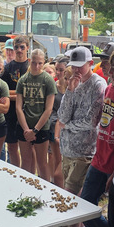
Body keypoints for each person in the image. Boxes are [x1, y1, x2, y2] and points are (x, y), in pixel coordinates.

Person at [80, 42, 114, 227]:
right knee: (85, 206)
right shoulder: (110, 87)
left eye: (108, 61)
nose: (104, 64)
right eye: (104, 60)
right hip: (100, 159)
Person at [58, 46, 107, 227]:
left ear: (90, 64)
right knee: (72, 194)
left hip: (85, 150)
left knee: (72, 196)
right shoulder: (73, 83)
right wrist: (69, 91)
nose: (76, 70)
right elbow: (61, 116)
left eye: (81, 66)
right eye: (74, 66)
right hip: (68, 148)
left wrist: (67, 125)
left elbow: (91, 121)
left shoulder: (98, 84)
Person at [15, 49, 56, 181]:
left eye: (40, 63)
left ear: (43, 63)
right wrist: (27, 129)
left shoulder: (48, 80)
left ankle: (46, 189)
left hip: (41, 126)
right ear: (29, 61)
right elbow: (18, 107)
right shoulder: (23, 80)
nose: (36, 66)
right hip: (24, 125)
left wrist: (35, 130)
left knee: (42, 162)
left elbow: (48, 109)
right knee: (26, 162)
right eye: (34, 63)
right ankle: (25, 187)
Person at [1, 35, 30, 167]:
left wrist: (14, 95)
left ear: (27, 48)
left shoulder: (31, 66)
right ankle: (16, 172)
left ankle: (28, 175)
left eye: (22, 47)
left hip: (29, 112)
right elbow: (2, 92)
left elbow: (30, 93)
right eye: (16, 47)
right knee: (12, 147)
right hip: (11, 113)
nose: (19, 50)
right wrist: (20, 95)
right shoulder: (7, 68)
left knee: (28, 150)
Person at [48, 57, 70, 187]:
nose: (58, 73)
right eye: (56, 69)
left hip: (65, 127)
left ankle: (64, 185)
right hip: (53, 126)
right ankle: (55, 184)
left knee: (63, 161)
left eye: (61, 70)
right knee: (55, 157)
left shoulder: (71, 88)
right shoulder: (53, 86)